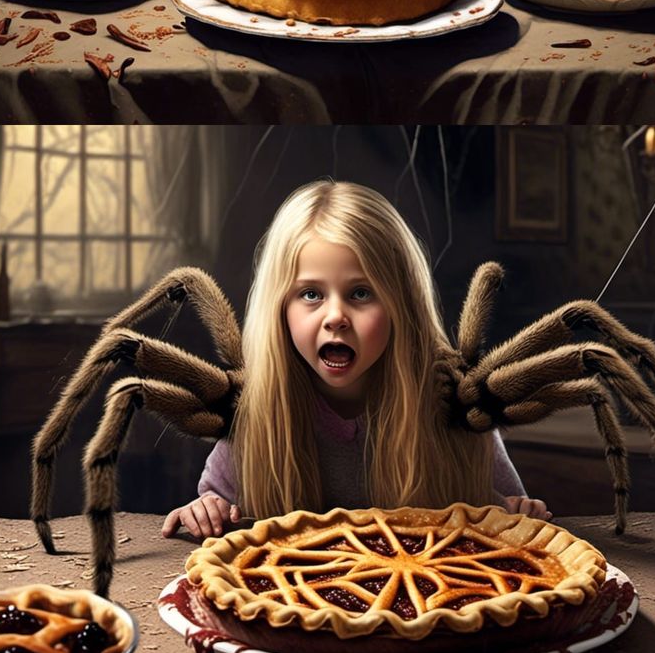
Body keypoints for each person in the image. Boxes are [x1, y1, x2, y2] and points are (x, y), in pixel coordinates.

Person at [161, 180, 547, 541]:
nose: (335, 317)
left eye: (361, 293)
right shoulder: (256, 411)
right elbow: (219, 507)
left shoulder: (458, 410)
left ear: (404, 307)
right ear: (279, 309)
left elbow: (508, 512)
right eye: (310, 294)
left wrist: (519, 509)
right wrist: (205, 509)